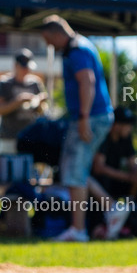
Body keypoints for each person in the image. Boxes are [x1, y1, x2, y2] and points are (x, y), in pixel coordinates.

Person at [40, 15, 114, 242]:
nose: (48, 45)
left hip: (89, 117)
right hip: (93, 115)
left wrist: (83, 117)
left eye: (48, 39)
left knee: (73, 170)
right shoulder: (81, 45)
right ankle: (111, 208)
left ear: (56, 33)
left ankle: (79, 229)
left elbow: (87, 82)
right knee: (76, 169)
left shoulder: (77, 50)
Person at [0, 49, 47, 151]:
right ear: (15, 66)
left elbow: (41, 112)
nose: (26, 70)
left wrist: (40, 103)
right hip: (9, 137)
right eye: (23, 67)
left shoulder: (35, 83)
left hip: (30, 137)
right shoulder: (5, 82)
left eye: (28, 67)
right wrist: (18, 101)